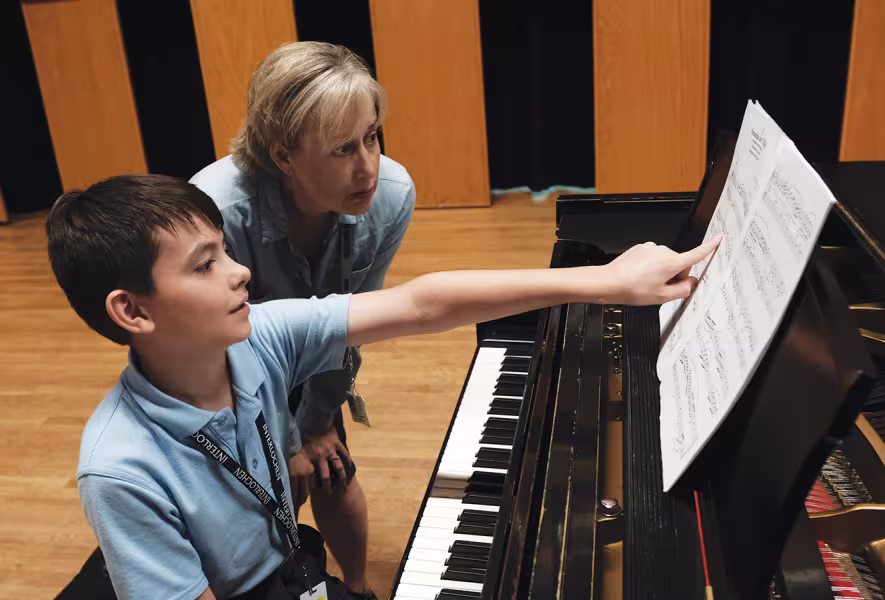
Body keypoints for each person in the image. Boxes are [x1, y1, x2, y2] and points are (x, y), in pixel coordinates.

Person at [46, 173, 718, 599]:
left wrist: (603, 283)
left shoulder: (258, 337)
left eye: (226, 249)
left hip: (287, 568)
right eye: (205, 265)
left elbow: (423, 303)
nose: (240, 272)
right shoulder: (120, 469)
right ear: (131, 311)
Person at [190, 42, 412, 596]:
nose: (368, 167)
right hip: (217, 364)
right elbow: (224, 350)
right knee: (267, 499)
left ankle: (358, 589)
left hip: (306, 356)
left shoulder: (391, 195)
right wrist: (286, 441)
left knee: (333, 465)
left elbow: (353, 323)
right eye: (342, 150)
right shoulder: (215, 211)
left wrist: (317, 422)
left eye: (372, 137)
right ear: (284, 156)